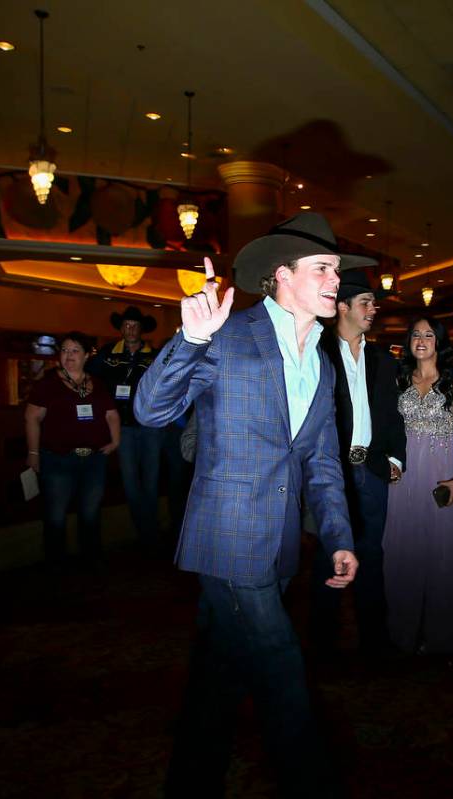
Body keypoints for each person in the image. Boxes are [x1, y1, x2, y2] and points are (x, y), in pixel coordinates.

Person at [134, 212, 364, 798]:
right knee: (283, 670)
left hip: (281, 544)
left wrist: (338, 536)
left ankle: (189, 781)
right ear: (282, 275)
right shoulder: (229, 337)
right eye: (323, 269)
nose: (335, 280)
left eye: (336, 270)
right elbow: (151, 411)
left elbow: (321, 462)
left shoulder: (323, 359)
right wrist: (190, 339)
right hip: (228, 539)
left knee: (219, 674)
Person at [311, 269, 406, 657]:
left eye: (373, 303)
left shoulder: (384, 359)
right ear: (342, 307)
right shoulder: (317, 352)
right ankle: (324, 643)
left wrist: (396, 458)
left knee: (372, 555)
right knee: (328, 555)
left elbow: (393, 415)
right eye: (365, 302)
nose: (373, 309)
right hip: (332, 473)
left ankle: (375, 642)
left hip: (372, 471)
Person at [383, 316, 453, 656]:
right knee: (403, 549)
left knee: (441, 551)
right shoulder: (399, 377)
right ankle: (403, 631)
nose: (421, 339)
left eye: (428, 334)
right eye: (416, 334)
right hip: (405, 474)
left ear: (440, 341)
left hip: (443, 468)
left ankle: (442, 636)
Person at [24, 332, 120, 567]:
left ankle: (90, 562)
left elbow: (111, 414)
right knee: (55, 517)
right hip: (58, 460)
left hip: (93, 461)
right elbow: (31, 418)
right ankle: (56, 566)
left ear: (87, 355)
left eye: (75, 350)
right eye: (65, 350)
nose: (68, 355)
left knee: (90, 515)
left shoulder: (97, 384)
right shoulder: (47, 384)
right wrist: (33, 453)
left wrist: (116, 441)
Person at [88, 305, 163, 547]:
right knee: (130, 483)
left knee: (151, 483)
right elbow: (88, 376)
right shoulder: (108, 355)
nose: (130, 329)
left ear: (142, 329)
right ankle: (145, 532)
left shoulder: (155, 356)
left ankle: (150, 533)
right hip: (123, 428)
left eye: (134, 325)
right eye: (126, 325)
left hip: (151, 426)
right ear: (121, 328)